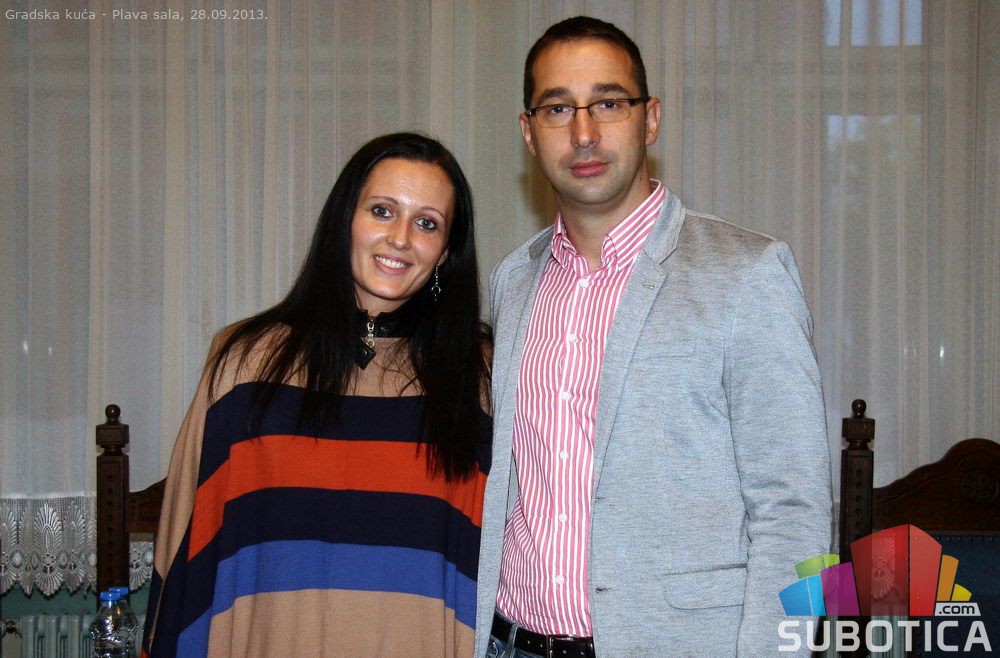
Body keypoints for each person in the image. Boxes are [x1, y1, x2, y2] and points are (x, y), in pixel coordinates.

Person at [477, 16, 832, 657]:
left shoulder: (747, 273)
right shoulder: (514, 281)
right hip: (511, 643)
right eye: (557, 108)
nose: (584, 132)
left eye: (609, 103)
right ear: (529, 132)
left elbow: (796, 513)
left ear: (651, 119)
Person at [142, 133, 492, 657]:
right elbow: (186, 546)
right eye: (382, 211)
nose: (400, 238)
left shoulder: (480, 377)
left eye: (427, 223)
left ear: (445, 253)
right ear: (344, 221)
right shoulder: (244, 364)